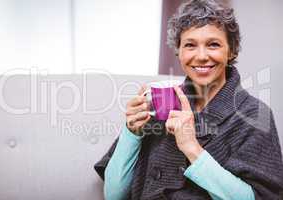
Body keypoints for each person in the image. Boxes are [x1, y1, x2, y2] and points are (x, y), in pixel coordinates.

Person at [94, 0, 283, 199]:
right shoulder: (159, 104)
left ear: (232, 51)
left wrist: (191, 147)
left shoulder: (255, 114)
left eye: (213, 44)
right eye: (190, 45)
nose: (201, 56)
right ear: (179, 51)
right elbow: (113, 195)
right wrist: (131, 134)